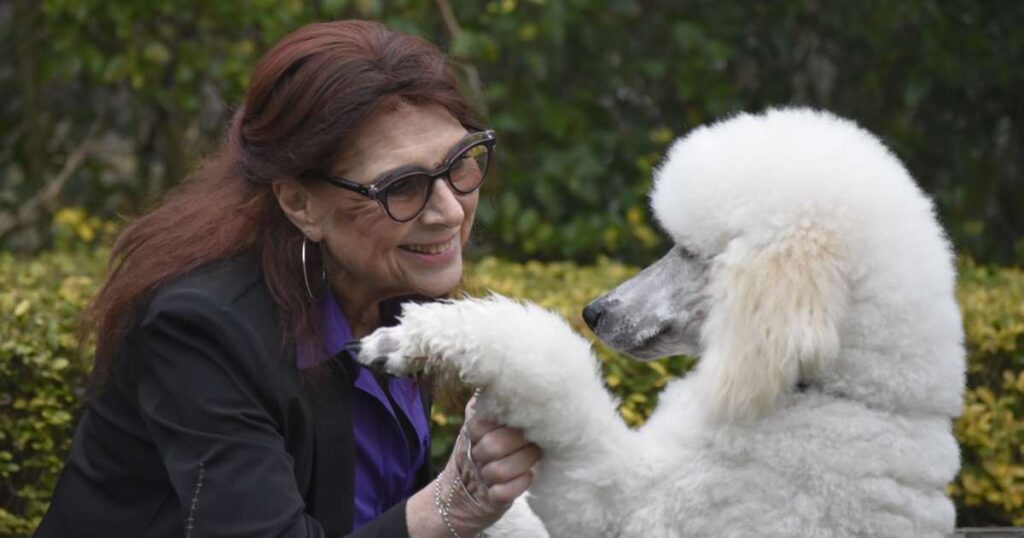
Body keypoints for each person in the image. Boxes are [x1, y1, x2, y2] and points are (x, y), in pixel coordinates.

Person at [35, 19, 541, 538]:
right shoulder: (202, 329)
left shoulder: (390, 288)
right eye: (402, 185)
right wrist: (449, 506)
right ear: (299, 202)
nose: (451, 212)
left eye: (460, 162)